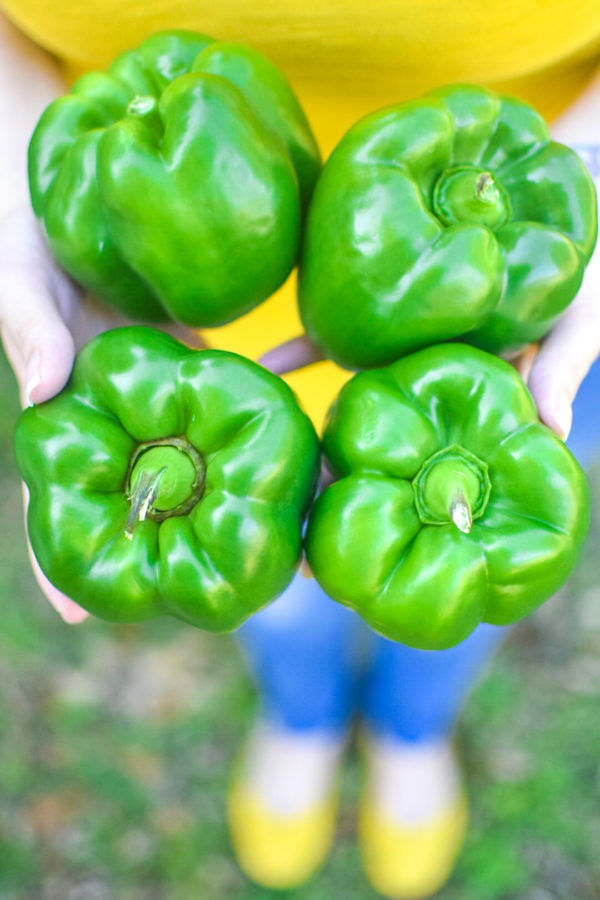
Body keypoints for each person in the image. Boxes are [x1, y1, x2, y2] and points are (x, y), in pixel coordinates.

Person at [1, 4, 599, 896]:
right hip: (189, 334)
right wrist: (19, 183)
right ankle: (304, 718)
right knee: (275, 596)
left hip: (514, 337)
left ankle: (411, 733)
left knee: (452, 603)